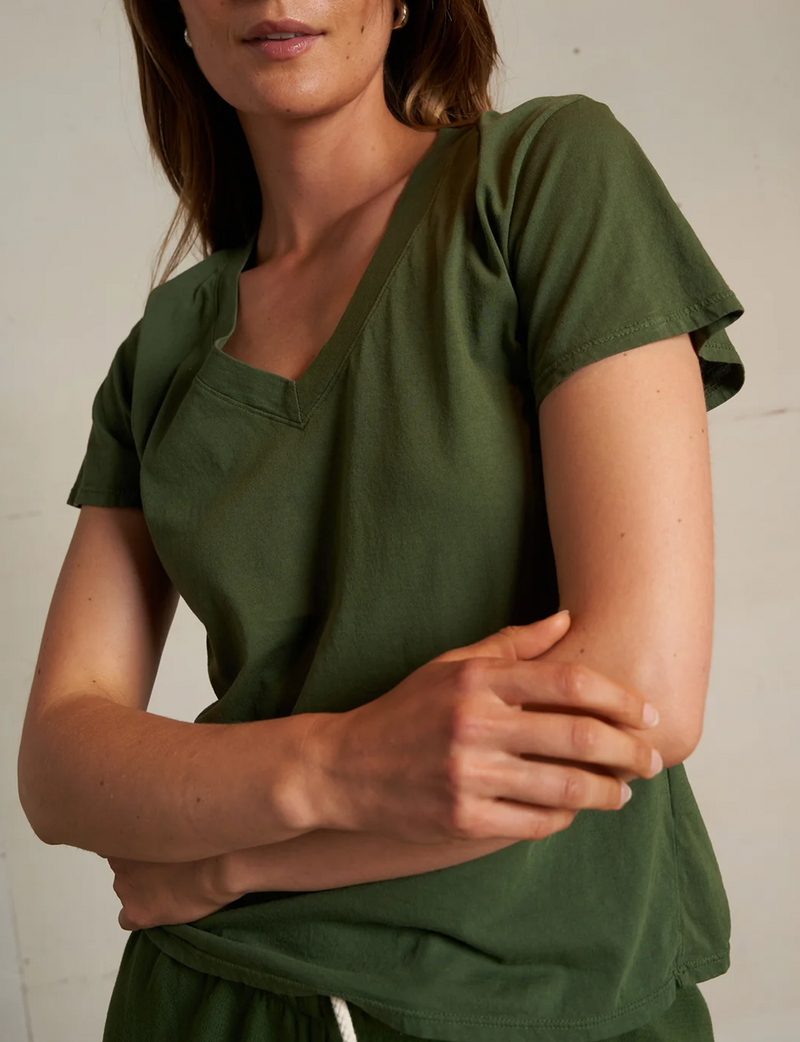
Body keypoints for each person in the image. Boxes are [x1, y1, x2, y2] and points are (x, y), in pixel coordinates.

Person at [17, 1, 747, 1040]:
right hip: (204, 1001)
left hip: (546, 1004)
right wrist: (334, 764)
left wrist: (234, 859)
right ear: (175, 11)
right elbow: (57, 759)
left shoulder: (543, 177)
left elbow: (631, 705)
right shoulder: (165, 344)